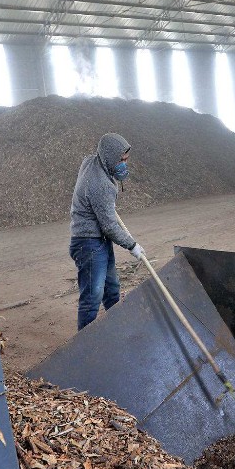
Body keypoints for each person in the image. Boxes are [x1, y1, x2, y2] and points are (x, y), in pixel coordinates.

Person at [69, 132, 146, 330]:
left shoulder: (91, 161)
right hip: (88, 244)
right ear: (110, 157)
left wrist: (104, 207)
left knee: (112, 289)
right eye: (122, 160)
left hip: (99, 241)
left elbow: (106, 219)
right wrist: (132, 245)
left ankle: (118, 330)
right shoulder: (101, 185)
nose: (125, 164)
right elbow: (110, 226)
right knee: (92, 297)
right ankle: (85, 344)